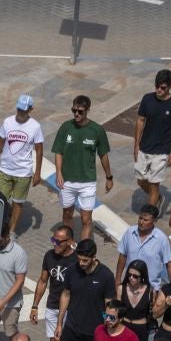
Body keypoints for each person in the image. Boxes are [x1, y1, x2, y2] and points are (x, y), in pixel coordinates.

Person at [51, 95, 113, 241]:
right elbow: (58, 152)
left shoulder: (97, 130)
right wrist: (58, 173)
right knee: (67, 214)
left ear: (88, 110)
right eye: (74, 111)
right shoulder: (66, 127)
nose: (76, 114)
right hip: (67, 180)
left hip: (87, 182)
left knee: (86, 219)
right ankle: (70, 244)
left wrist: (109, 177)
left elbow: (103, 155)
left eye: (80, 111)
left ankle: (84, 249)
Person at [132, 71, 171, 208]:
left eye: (162, 87)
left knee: (154, 184)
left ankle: (151, 214)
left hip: (161, 151)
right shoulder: (147, 99)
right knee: (140, 180)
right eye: (157, 86)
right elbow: (140, 120)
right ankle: (157, 198)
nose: (158, 90)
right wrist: (136, 145)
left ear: (170, 86)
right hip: (144, 147)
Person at [0, 95, 45, 235]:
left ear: (30, 109)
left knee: (17, 203)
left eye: (24, 110)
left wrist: (38, 173)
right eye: (19, 109)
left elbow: (39, 150)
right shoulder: (8, 122)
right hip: (5, 170)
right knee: (0, 201)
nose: (20, 113)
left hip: (23, 173)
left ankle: (10, 232)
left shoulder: (35, 126)